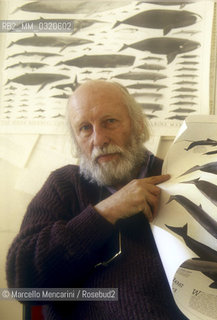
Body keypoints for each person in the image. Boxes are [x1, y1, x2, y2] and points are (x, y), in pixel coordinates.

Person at [6, 80, 188, 319]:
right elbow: (23, 283)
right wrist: (105, 213)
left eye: (109, 122)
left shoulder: (181, 177)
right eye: (84, 128)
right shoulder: (64, 185)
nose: (99, 139)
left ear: (139, 126)